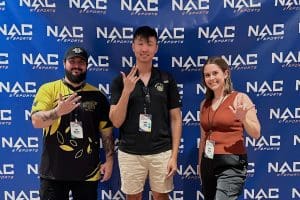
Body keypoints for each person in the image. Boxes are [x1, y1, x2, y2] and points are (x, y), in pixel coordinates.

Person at [31, 46, 114, 200]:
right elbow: (36, 121)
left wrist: (109, 160)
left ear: (87, 66)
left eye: (81, 62)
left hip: (88, 174)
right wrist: (57, 112)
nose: (76, 66)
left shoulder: (97, 95)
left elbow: (107, 132)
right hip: (53, 173)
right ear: (64, 64)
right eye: (72, 61)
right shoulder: (48, 89)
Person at [109, 26, 182, 200]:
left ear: (156, 48)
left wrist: (173, 156)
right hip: (130, 152)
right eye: (140, 43)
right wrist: (127, 91)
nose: (144, 49)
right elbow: (116, 122)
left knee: (161, 196)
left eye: (149, 44)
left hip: (161, 152)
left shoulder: (166, 79)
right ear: (133, 46)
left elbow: (176, 119)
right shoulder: (120, 80)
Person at [198, 56, 261, 200]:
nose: (211, 78)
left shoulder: (240, 98)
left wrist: (243, 118)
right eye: (207, 75)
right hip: (208, 162)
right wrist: (200, 165)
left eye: (215, 73)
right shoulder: (204, 104)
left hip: (231, 163)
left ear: (225, 74)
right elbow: (203, 138)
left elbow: (256, 133)